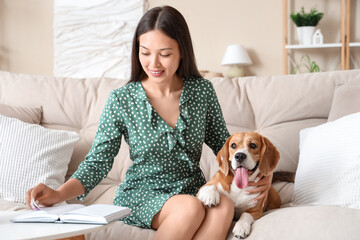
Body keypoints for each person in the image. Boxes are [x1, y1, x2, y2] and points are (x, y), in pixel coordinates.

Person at [26, 6, 272, 240]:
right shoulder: (122, 100)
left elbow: (226, 147)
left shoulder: (201, 92)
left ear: (182, 51)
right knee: (190, 208)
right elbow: (97, 162)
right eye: (145, 53)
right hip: (143, 194)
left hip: (193, 188)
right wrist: (58, 194)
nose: (153, 64)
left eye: (165, 54)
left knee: (224, 205)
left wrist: (267, 175)